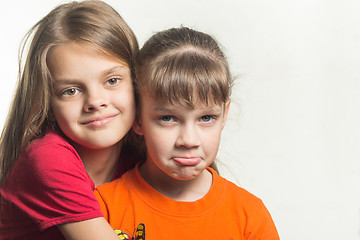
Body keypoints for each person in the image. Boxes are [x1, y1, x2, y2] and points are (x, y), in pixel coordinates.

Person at [94, 27, 280, 239]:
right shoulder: (103, 208)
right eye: (168, 118)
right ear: (137, 117)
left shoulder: (249, 215)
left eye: (206, 118)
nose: (189, 140)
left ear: (224, 115)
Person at [0, 1, 143, 239]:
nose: (95, 101)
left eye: (112, 81)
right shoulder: (47, 158)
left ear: (137, 81)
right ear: (47, 101)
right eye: (71, 91)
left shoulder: (142, 157)